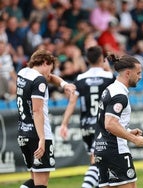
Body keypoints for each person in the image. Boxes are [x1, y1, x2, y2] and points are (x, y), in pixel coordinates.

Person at [16, 49, 76, 188]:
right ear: (44, 63)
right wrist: (42, 139)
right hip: (38, 134)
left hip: (24, 133)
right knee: (41, 185)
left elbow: (50, 77)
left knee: (34, 180)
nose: (50, 73)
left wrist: (64, 84)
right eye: (50, 67)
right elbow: (37, 111)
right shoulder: (39, 80)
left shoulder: (23, 73)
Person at [60, 46, 115, 188]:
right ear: (102, 59)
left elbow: (72, 103)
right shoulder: (109, 77)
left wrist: (64, 124)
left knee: (99, 162)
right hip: (103, 125)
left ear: (87, 60)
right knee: (98, 161)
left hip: (86, 125)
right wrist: (108, 69)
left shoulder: (80, 78)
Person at [94, 53, 143, 188]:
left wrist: (128, 130)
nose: (140, 77)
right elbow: (110, 124)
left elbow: (106, 121)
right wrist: (133, 139)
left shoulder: (110, 89)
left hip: (101, 149)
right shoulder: (120, 95)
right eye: (138, 73)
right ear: (128, 73)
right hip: (116, 151)